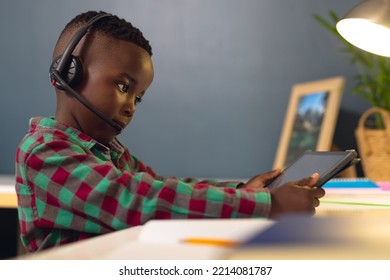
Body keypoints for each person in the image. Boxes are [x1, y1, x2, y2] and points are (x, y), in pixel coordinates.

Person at [15, 10, 325, 253]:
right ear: (69, 71)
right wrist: (271, 205)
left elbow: (161, 185)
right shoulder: (44, 151)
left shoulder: (108, 151)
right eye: (124, 87)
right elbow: (136, 199)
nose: (131, 107)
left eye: (138, 97)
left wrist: (243, 190)